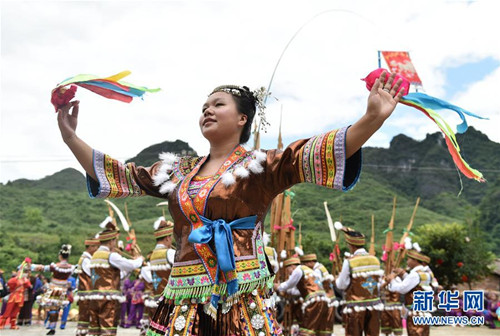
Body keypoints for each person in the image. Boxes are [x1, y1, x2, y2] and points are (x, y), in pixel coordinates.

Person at [56, 70, 405, 335]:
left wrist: (372, 118)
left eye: (218, 105)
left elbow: (318, 153)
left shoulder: (261, 166)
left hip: (241, 297)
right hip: (182, 296)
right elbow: (123, 176)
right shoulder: (178, 171)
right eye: (204, 107)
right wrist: (70, 137)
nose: (207, 111)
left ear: (242, 119)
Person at [87, 217, 144, 336]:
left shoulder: (95, 255)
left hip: (94, 297)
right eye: (115, 241)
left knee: (96, 330)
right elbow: (130, 265)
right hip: (108, 298)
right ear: (111, 241)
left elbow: (113, 274)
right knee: (108, 328)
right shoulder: (110, 256)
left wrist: (127, 270)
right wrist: (139, 260)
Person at [335, 227, 384, 336]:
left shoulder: (350, 261)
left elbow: (342, 285)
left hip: (355, 307)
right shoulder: (375, 260)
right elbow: (378, 284)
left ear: (350, 245)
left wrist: (337, 279)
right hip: (374, 305)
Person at [276, 257, 334, 336]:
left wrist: (278, 287)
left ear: (291, 266)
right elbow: (298, 290)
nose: (288, 273)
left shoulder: (298, 270)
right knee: (319, 329)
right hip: (324, 301)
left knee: (307, 329)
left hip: (314, 302)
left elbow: (289, 284)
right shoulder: (309, 270)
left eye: (287, 270)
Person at [386, 249, 434, 336]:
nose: (407, 261)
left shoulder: (415, 274)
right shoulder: (426, 272)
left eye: (409, 259)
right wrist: (403, 274)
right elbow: (415, 285)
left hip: (415, 313)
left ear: (415, 260)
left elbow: (402, 288)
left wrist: (391, 280)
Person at [140, 217, 175, 335]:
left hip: (156, 299)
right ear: (167, 238)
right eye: (171, 238)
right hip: (169, 300)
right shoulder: (169, 253)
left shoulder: (153, 255)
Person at [32, 244, 75, 335]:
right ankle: (53, 326)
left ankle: (52, 327)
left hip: (53, 289)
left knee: (52, 309)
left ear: (60, 256)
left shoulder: (55, 266)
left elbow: (42, 268)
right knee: (57, 308)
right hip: (63, 290)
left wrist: (30, 266)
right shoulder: (71, 267)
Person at [74, 235, 100, 336]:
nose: (96, 250)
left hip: (86, 293)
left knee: (86, 318)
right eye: (95, 247)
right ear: (90, 247)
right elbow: (93, 274)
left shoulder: (86, 259)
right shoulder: (86, 260)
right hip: (87, 293)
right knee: (85, 317)